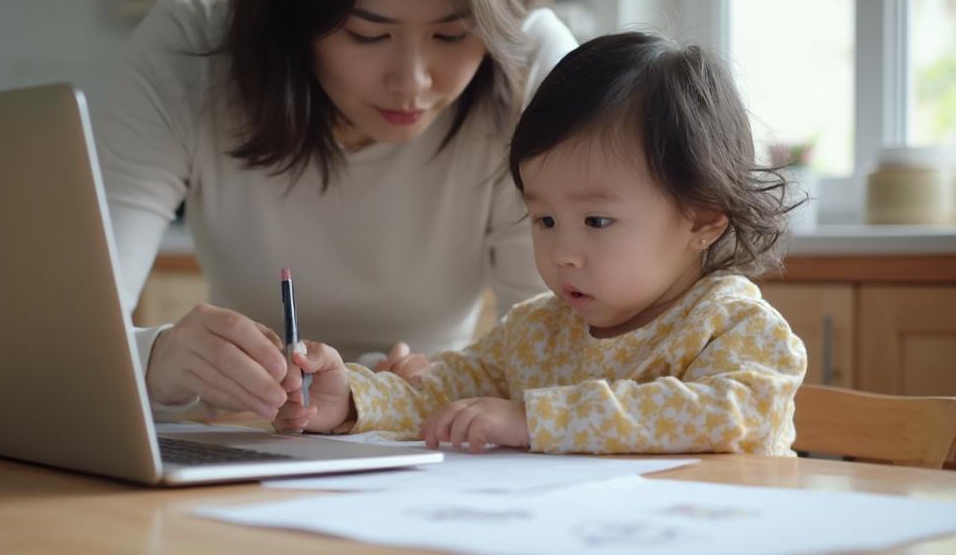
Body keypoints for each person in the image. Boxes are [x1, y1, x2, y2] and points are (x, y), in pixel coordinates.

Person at [273, 31, 808, 456]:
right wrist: (349, 399)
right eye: (544, 220)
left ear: (702, 218)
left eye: (596, 221)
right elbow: (444, 391)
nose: (561, 253)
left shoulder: (735, 325)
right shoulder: (534, 331)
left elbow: (732, 411)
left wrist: (534, 419)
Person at [97, 0, 578, 418]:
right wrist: (152, 357)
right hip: (238, 437)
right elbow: (59, 333)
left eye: (452, 34)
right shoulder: (190, 54)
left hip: (426, 434)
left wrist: (441, 386)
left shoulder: (533, 67)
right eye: (367, 34)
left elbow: (559, 358)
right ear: (288, 14)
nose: (412, 83)